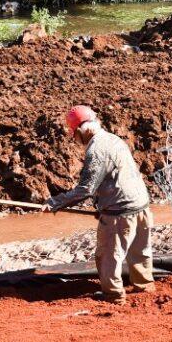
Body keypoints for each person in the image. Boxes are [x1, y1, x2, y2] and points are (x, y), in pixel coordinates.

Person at [46, 105, 154, 303]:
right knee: (140, 252)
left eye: (74, 135)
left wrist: (56, 202)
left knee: (107, 256)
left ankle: (114, 296)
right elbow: (113, 178)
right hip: (142, 206)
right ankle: (145, 287)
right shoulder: (114, 139)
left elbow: (86, 189)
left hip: (120, 212)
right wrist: (101, 205)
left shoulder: (96, 150)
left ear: (80, 130)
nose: (75, 140)